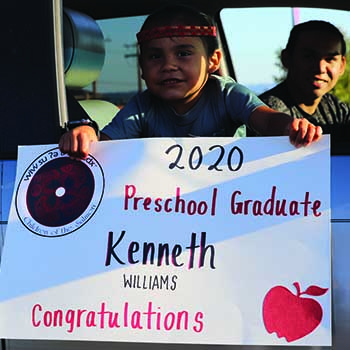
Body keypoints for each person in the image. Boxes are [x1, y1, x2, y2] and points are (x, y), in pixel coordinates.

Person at [59, 4, 322, 159]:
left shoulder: (226, 93)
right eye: (154, 56)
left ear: (212, 61)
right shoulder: (142, 105)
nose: (168, 65)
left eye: (183, 53)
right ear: (141, 69)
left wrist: (291, 127)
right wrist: (88, 135)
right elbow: (105, 145)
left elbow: (265, 119)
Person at [258, 20, 350, 135]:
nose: (320, 68)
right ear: (287, 59)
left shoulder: (337, 109)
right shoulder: (266, 115)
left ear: (342, 65)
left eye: (330, 59)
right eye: (309, 57)